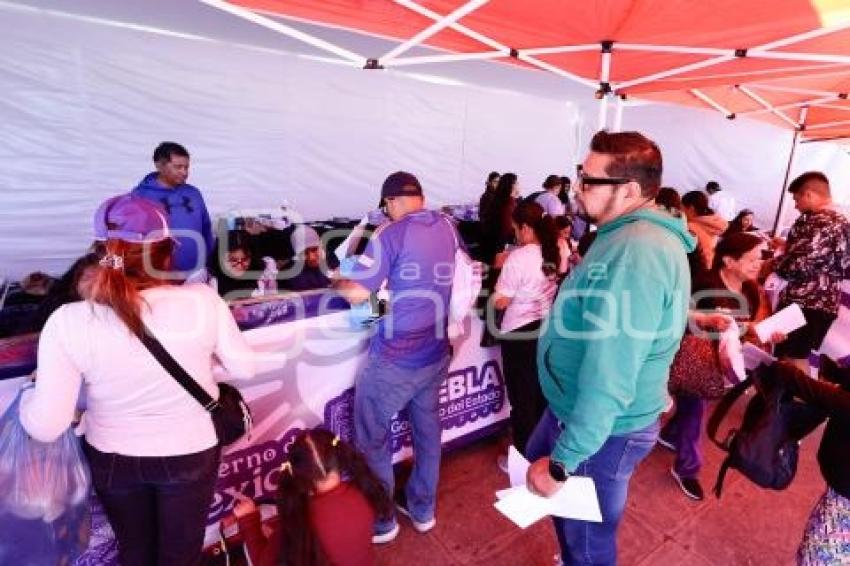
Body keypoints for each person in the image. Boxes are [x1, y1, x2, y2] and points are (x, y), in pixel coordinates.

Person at [19, 194, 256, 566]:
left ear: (101, 251)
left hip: (113, 457)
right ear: (164, 251)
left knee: (135, 553)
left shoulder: (69, 320)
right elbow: (245, 369)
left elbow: (46, 426)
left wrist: (29, 395)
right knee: (180, 556)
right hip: (190, 451)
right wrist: (202, 356)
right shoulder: (203, 302)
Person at [525, 130, 695, 565]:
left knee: (587, 540)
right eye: (580, 176)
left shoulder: (638, 249)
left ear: (631, 190)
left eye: (589, 180)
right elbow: (647, 319)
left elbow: (610, 372)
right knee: (574, 525)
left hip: (600, 425)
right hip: (583, 411)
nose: (578, 189)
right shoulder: (626, 234)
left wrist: (563, 463)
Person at [333, 171, 458, 543]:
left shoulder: (391, 233)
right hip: (435, 352)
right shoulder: (448, 226)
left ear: (390, 202)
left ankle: (383, 521)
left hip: (394, 357)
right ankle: (423, 510)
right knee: (427, 433)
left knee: (371, 437)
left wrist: (340, 283)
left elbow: (357, 294)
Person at [660, 232, 777, 501]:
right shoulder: (703, 283)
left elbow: (742, 327)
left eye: (762, 258)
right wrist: (706, 322)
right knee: (696, 410)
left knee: (693, 406)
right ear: (728, 260)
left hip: (721, 362)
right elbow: (675, 318)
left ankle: (669, 434)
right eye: (753, 258)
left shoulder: (749, 289)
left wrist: (763, 332)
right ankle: (687, 469)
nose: (758, 264)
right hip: (691, 358)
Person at [227, 428, 392, 566]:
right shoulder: (364, 491)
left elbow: (262, 562)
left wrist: (248, 519)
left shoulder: (300, 520)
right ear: (340, 457)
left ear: (299, 475)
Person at [492, 201, 566, 458]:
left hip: (519, 335)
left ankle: (524, 459)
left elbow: (501, 301)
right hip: (547, 329)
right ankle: (545, 452)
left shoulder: (519, 258)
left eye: (515, 229)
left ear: (524, 227)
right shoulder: (559, 247)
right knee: (542, 394)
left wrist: (496, 272)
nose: (514, 234)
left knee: (522, 399)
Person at [761, 359, 850, 565]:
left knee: (818, 557)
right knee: (814, 544)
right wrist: (833, 370)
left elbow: (841, 402)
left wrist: (793, 378)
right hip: (839, 489)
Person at [773, 172, 850, 371]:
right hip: (824, 301)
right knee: (795, 357)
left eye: (797, 199)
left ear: (809, 195)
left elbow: (800, 263)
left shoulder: (821, 221)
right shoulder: (841, 221)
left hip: (806, 300)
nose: (796, 205)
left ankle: (796, 402)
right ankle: (788, 401)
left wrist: (774, 264)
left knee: (793, 360)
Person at [132, 142, 214, 275]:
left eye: (186, 167)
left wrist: (210, 262)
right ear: (159, 165)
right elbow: (135, 240)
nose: (184, 172)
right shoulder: (140, 196)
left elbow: (206, 229)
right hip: (159, 275)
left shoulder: (193, 193)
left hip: (196, 273)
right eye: (178, 167)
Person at [682, 190, 728, 273]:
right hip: (708, 265)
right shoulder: (712, 221)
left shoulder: (691, 227)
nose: (682, 212)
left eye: (683, 208)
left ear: (691, 208)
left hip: (695, 268)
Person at [208, 230, 261, 300]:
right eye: (233, 260)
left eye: (245, 259)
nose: (239, 266)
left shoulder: (263, 277)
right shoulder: (210, 283)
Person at [279, 225, 332, 292]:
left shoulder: (333, 263)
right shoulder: (293, 276)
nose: (311, 257)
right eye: (304, 253)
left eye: (314, 249)